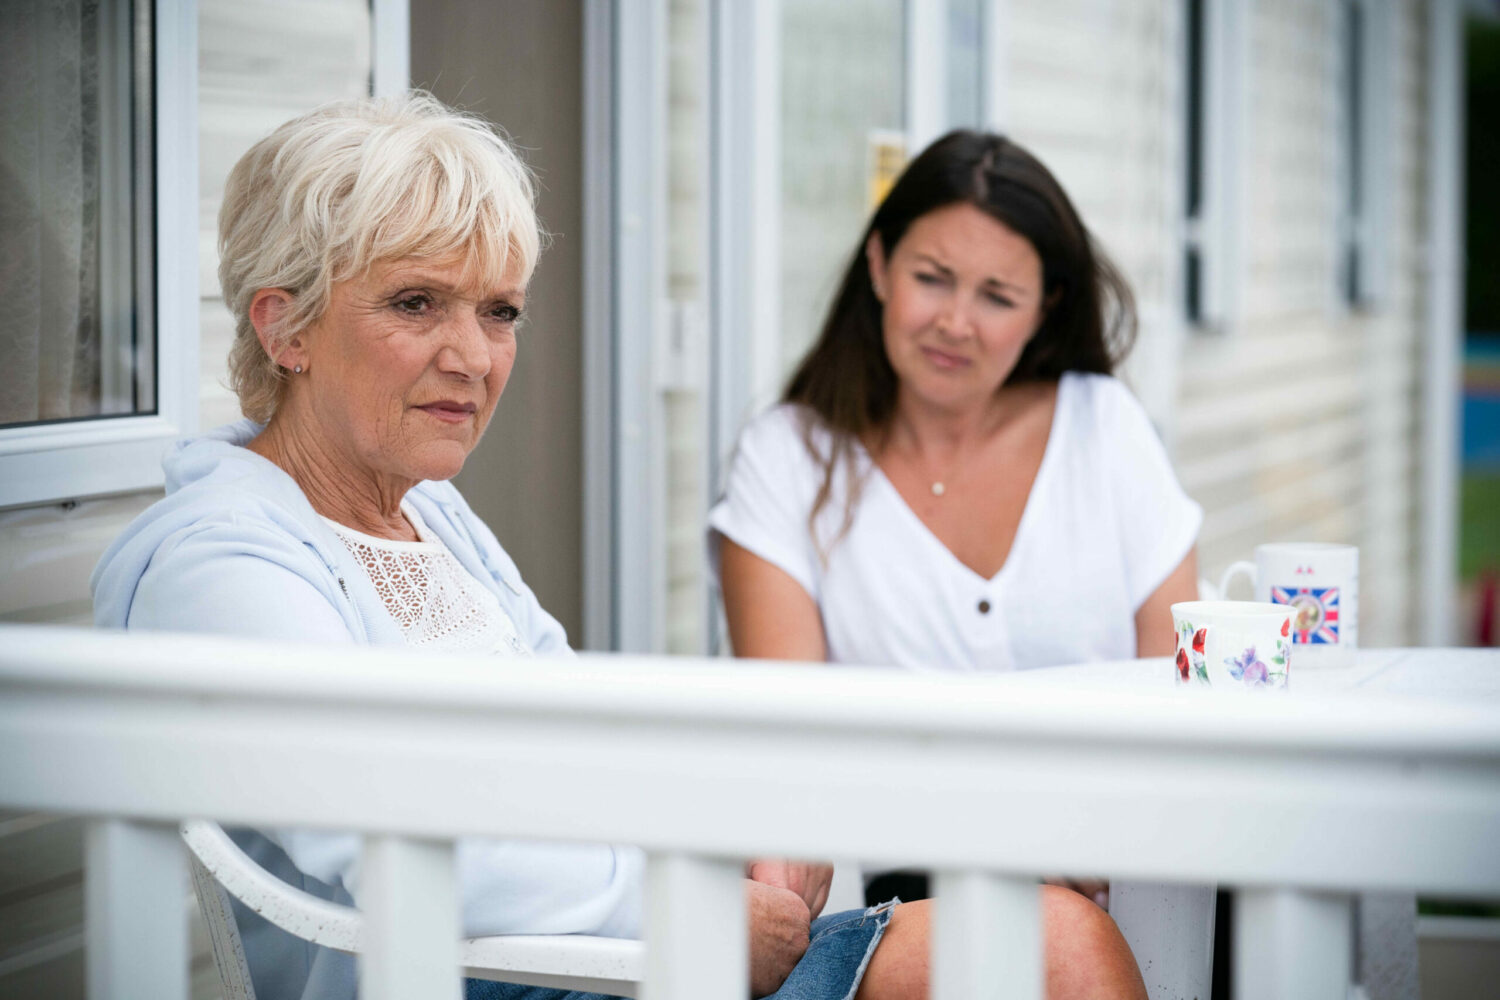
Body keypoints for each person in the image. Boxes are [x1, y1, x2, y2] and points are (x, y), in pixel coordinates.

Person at [89, 95, 1140, 1000]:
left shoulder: (426, 515)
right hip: (501, 974)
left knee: (1053, 942)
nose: (473, 355)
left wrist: (754, 824)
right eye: (417, 302)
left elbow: (583, 733)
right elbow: (389, 835)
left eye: (499, 311)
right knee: (1054, 949)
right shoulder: (222, 562)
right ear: (286, 327)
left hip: (598, 956)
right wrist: (690, 906)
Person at [710, 131, 1201, 911]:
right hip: (900, 905)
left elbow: (1177, 697)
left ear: (1047, 309)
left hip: (1123, 874)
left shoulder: (1106, 430)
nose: (956, 323)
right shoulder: (787, 459)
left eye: (997, 296)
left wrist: (1098, 832)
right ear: (878, 265)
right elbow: (790, 737)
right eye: (933, 278)